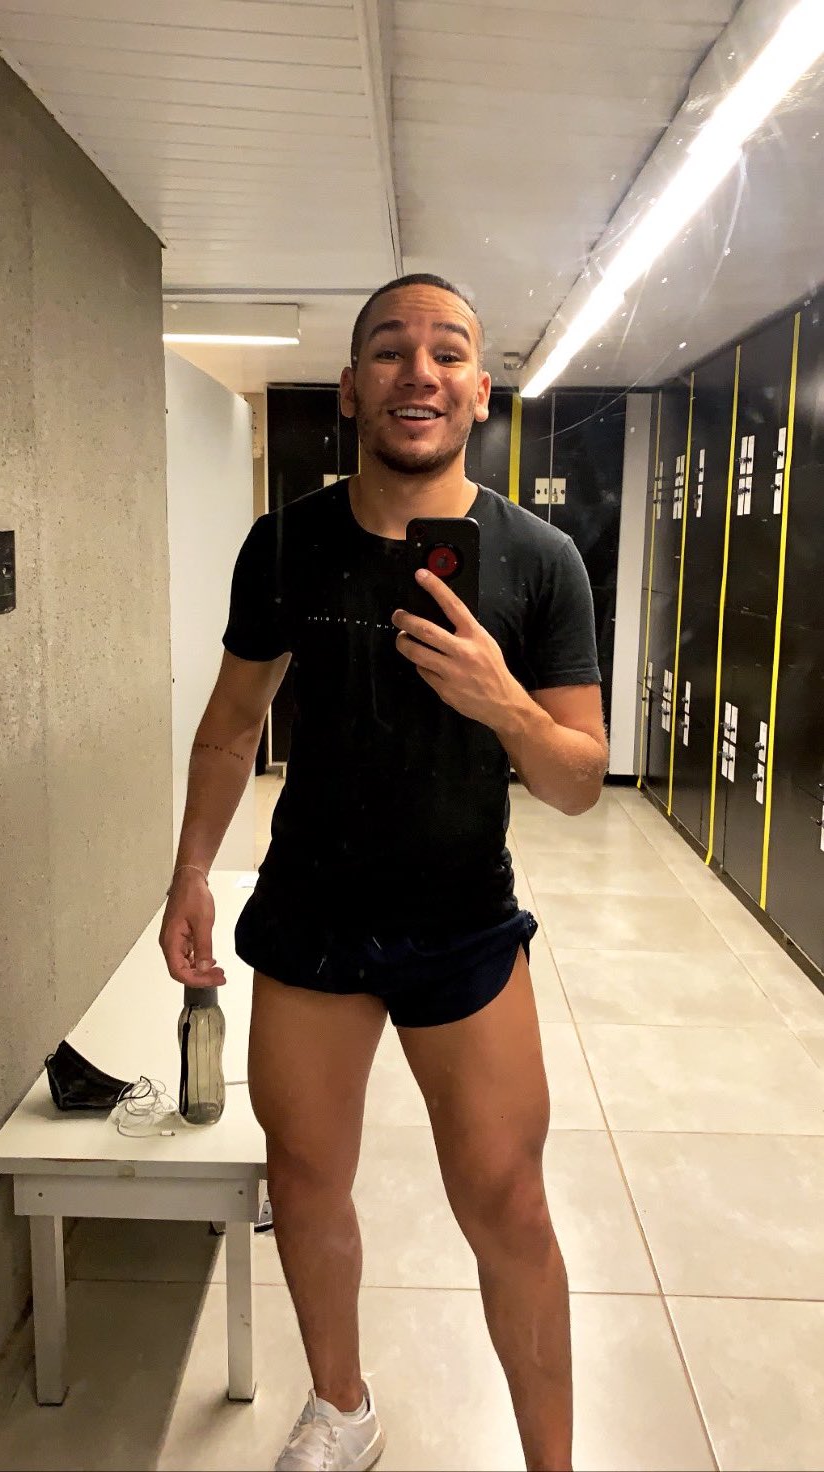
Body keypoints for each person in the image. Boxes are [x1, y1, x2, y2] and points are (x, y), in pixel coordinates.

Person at [160, 273, 608, 1472]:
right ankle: (343, 1405)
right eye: (391, 349)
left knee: (508, 1202)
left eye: (447, 351)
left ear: (481, 389)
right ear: (352, 385)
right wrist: (192, 868)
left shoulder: (541, 560)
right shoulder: (287, 543)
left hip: (463, 919)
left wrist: (504, 700)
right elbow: (230, 726)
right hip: (311, 910)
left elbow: (577, 778)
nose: (420, 371)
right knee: (306, 1176)